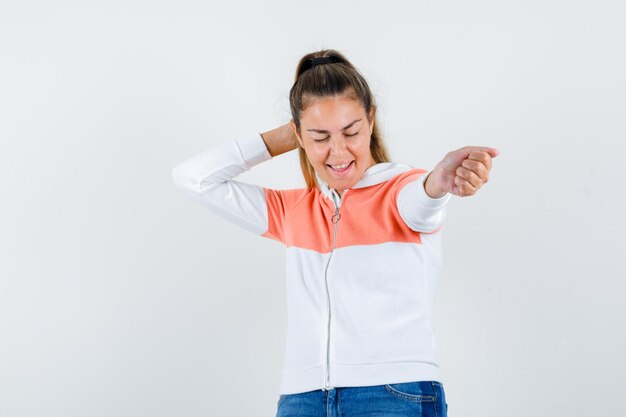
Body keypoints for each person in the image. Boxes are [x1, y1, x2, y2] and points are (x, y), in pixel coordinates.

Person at [171, 49, 499, 417]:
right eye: (320, 136)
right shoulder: (293, 211)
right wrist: (284, 137)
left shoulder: (401, 190)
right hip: (302, 398)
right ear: (298, 134)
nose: (338, 151)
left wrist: (441, 181)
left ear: (371, 120)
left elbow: (424, 199)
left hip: (393, 394)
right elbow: (193, 179)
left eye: (351, 131)